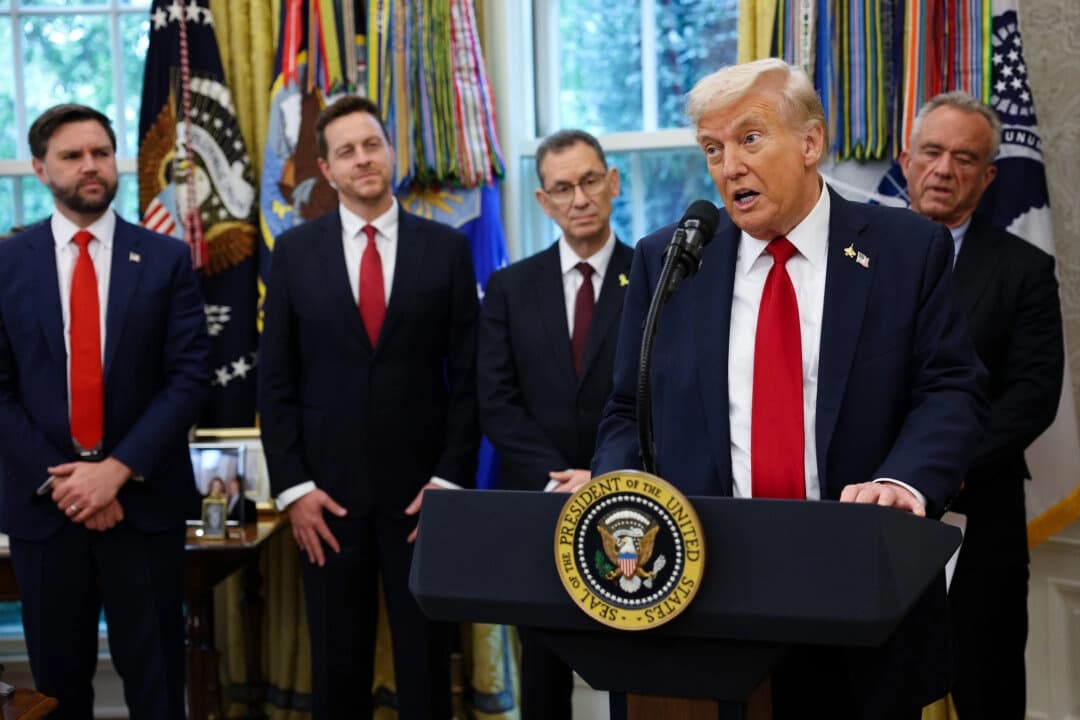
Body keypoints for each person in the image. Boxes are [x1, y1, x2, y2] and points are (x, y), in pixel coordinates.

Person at [591, 59, 987, 720]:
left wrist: (907, 481)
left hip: (858, 591)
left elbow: (950, 390)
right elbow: (628, 409)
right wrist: (617, 492)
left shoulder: (904, 249)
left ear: (811, 143)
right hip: (705, 597)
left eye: (749, 139)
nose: (728, 166)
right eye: (712, 149)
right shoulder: (671, 258)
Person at [258, 95, 479, 719]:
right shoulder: (295, 253)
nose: (363, 159)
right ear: (326, 169)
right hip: (326, 503)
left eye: (372, 144)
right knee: (337, 670)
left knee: (428, 669)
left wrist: (450, 479)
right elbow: (275, 383)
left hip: (424, 503)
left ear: (391, 152)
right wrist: (294, 488)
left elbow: (470, 380)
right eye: (347, 151)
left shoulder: (446, 249)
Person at [0, 104, 209, 719]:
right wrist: (71, 483)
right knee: (57, 690)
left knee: (159, 684)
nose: (90, 167)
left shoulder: (166, 259)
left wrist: (115, 470)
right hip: (48, 510)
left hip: (143, 507)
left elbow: (189, 377)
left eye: (100, 153)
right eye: (72, 156)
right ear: (40, 169)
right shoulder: (7, 263)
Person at [900, 91, 1063, 719]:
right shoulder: (854, 258)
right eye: (933, 152)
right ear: (905, 159)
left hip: (980, 512)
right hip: (867, 511)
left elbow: (1032, 396)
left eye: (965, 158)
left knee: (986, 683)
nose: (944, 170)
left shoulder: (1024, 269)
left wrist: (937, 467)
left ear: (989, 175)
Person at [477, 128, 632, 718]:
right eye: (563, 188)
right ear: (543, 201)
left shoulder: (655, 275)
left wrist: (603, 473)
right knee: (542, 675)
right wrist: (557, 478)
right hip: (538, 503)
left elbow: (663, 394)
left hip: (627, 502)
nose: (580, 198)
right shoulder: (510, 287)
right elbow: (496, 401)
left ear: (612, 183)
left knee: (633, 666)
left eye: (590, 180)